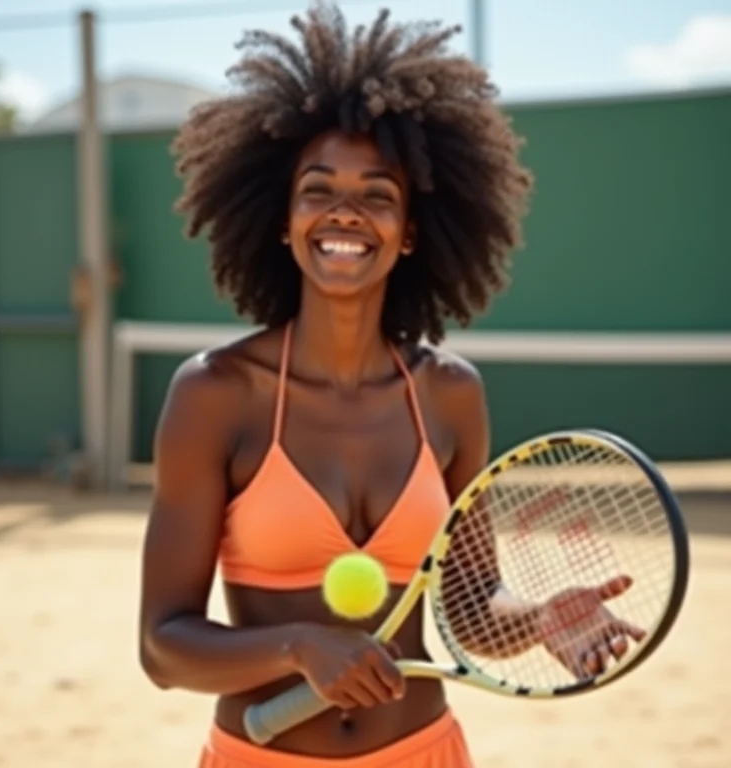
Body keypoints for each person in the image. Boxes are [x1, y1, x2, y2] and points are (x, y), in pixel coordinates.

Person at [138, 3, 643, 766]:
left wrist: (537, 617)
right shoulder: (215, 393)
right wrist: (297, 646)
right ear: (283, 219)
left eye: (378, 194)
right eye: (318, 189)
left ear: (410, 231)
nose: (346, 212)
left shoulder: (449, 394)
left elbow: (474, 610)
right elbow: (163, 646)